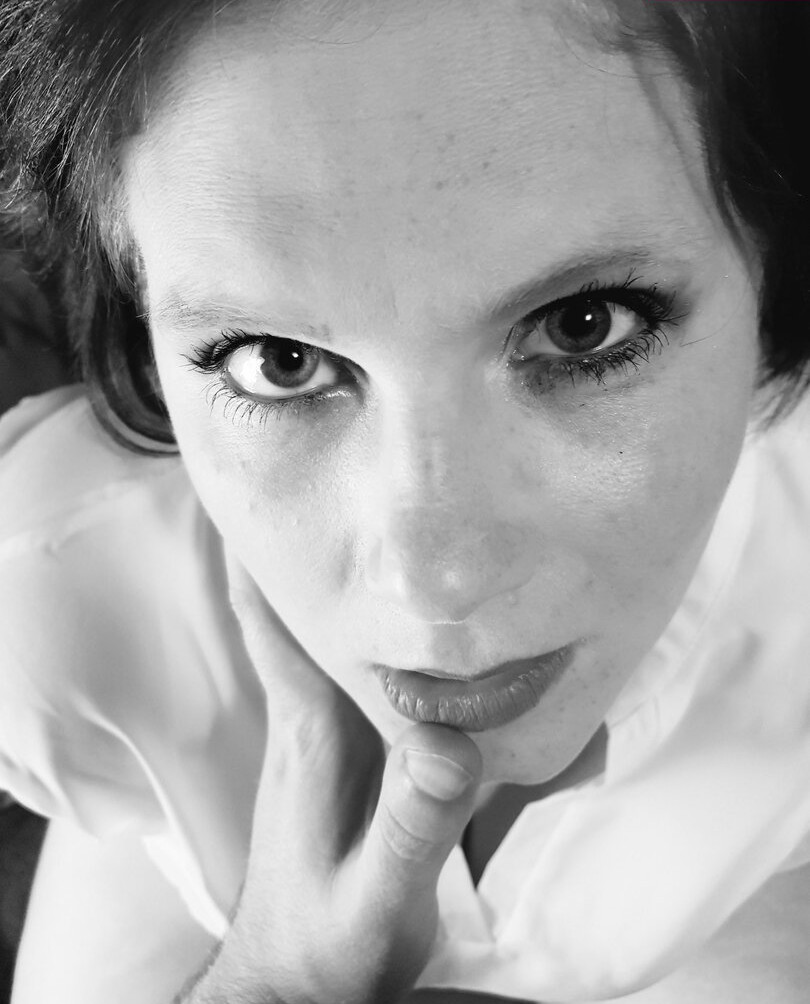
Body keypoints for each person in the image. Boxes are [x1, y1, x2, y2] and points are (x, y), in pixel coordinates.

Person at [1, 1, 810, 1001]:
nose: (436, 583)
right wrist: (269, 980)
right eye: (279, 360)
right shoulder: (53, 611)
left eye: (584, 325)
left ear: (775, 278)